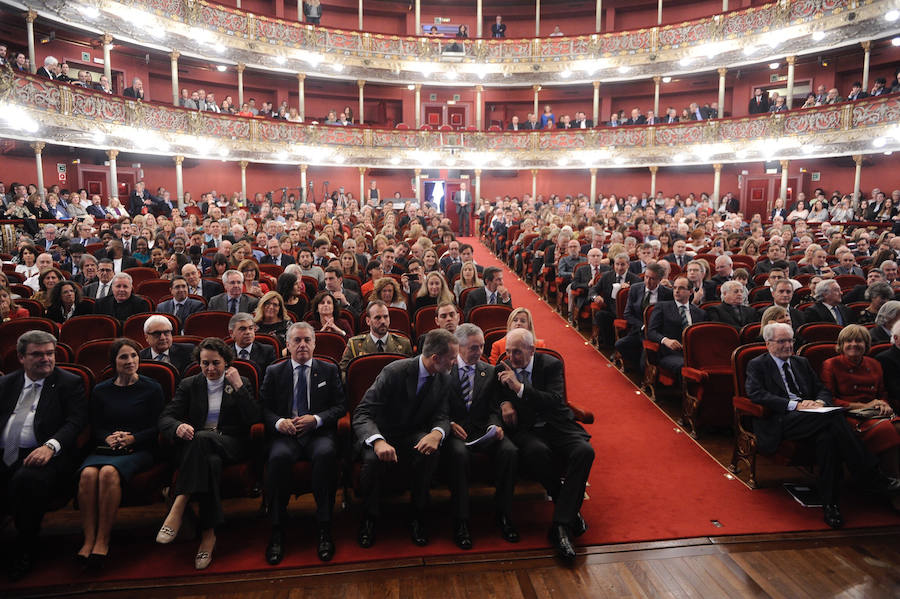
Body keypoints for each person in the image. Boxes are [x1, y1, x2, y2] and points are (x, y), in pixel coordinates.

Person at [746, 323, 900, 528]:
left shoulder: (801, 362)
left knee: (828, 440)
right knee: (834, 417)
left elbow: (822, 390)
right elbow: (756, 394)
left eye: (790, 340)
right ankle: (870, 475)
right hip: (781, 420)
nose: (787, 345)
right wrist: (795, 405)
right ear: (768, 344)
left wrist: (819, 402)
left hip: (814, 417)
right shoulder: (757, 364)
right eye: (781, 341)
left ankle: (831, 506)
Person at [156, 338, 261, 570]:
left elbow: (254, 418)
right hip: (199, 450)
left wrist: (240, 387)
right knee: (210, 463)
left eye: (216, 363)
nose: (211, 369)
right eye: (205, 364)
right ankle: (208, 535)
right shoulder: (190, 384)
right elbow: (166, 417)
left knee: (203, 438)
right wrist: (177, 427)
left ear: (227, 363)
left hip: (232, 444)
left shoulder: (240, 381)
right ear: (198, 363)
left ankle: (179, 503)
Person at [351, 329, 458, 548]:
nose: (455, 362)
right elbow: (362, 413)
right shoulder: (394, 372)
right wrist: (378, 441)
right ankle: (369, 519)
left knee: (431, 451)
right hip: (382, 432)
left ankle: (418, 514)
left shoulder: (444, 378)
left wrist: (437, 433)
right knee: (371, 460)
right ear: (436, 358)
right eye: (452, 358)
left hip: (412, 434)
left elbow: (443, 415)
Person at [496, 328, 593, 563]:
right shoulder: (503, 367)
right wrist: (504, 403)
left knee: (584, 451)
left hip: (557, 425)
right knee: (537, 452)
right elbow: (493, 396)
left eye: (517, 352)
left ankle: (560, 524)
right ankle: (565, 521)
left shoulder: (551, 365)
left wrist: (519, 389)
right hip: (527, 430)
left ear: (531, 350)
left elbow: (554, 401)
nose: (511, 357)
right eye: (508, 351)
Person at [0, 331, 87, 581]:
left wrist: (50, 446)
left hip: (48, 456)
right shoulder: (6, 384)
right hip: (6, 452)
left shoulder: (68, 382)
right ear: (21, 357)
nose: (46, 359)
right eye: (37, 354)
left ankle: (25, 548)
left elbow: (75, 421)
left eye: (50, 353)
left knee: (26, 480)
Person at [262, 322, 346, 564]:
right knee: (277, 458)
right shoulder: (274, 372)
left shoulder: (329, 370)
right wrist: (279, 423)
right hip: (286, 434)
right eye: (297, 340)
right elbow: (264, 408)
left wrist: (317, 419)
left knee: (326, 454)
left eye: (307, 340)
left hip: (318, 434)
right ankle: (277, 529)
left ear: (314, 343)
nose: (302, 345)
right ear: (287, 345)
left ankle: (324, 527)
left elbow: (341, 406)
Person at [76, 339, 164, 566]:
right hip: (107, 446)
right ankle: (88, 540)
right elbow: (96, 425)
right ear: (114, 362)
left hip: (140, 448)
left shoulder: (152, 387)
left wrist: (133, 438)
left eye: (134, 355)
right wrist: (107, 437)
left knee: (107, 473)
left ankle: (103, 540)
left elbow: (159, 425)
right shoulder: (101, 390)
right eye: (123, 357)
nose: (130, 361)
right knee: (87, 474)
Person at [442, 324, 519, 549]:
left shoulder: (489, 370)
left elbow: (495, 406)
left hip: (483, 430)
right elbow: (436, 406)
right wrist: (449, 423)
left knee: (510, 451)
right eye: (473, 348)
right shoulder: (445, 370)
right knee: (459, 456)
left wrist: (494, 426)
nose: (479, 352)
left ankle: (504, 514)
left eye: (482, 347)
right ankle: (461, 521)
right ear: (458, 348)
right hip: (456, 432)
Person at [821, 325, 900, 512]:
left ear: (867, 344)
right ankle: (894, 491)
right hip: (848, 416)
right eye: (849, 341)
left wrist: (883, 403)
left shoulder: (874, 364)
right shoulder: (831, 364)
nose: (854, 344)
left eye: (859, 341)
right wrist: (865, 406)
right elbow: (830, 399)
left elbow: (883, 393)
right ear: (841, 344)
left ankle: (890, 482)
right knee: (887, 430)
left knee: (897, 428)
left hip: (876, 413)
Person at [614, 262, 674, 369]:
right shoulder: (635, 289)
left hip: (657, 333)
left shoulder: (668, 293)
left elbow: (670, 316)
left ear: (659, 280)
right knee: (620, 344)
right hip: (639, 331)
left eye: (652, 279)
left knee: (644, 365)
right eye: (646, 277)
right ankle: (635, 364)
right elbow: (627, 314)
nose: (648, 281)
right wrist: (643, 326)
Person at [646, 276, 707, 375]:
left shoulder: (700, 313)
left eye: (681, 288)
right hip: (670, 353)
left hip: (694, 353)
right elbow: (651, 332)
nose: (677, 291)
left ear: (691, 291)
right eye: (674, 288)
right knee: (685, 365)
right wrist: (666, 340)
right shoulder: (662, 307)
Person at [340, 300, 413, 372]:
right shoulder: (354, 345)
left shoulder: (404, 344)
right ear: (368, 321)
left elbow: (411, 372)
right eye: (378, 318)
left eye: (386, 317)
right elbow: (343, 371)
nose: (383, 321)